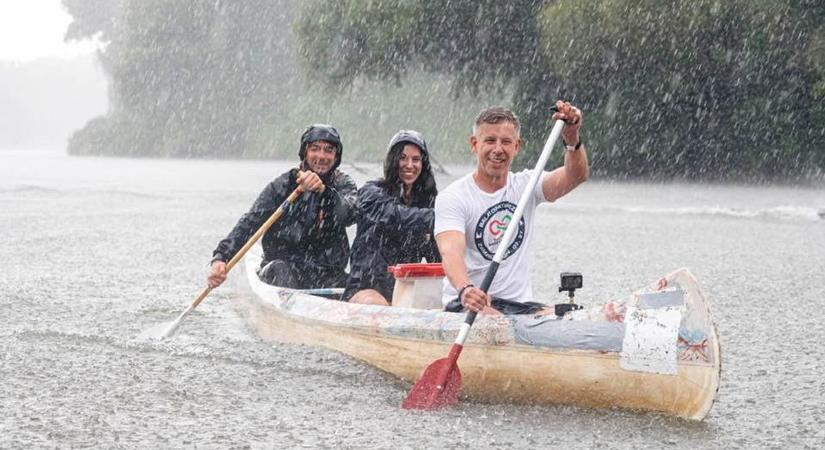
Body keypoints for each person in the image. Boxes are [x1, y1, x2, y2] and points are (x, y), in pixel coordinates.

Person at [434, 101, 589, 315]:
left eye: (506, 142)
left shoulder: (527, 185)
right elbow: (451, 251)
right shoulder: (453, 197)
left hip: (520, 306)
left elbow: (576, 176)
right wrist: (465, 289)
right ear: (474, 144)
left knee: (573, 316)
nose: (498, 149)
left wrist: (572, 137)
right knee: (495, 320)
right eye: (490, 141)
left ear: (516, 147)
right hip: (469, 303)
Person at [207, 124, 358, 290]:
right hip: (283, 270)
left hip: (327, 274)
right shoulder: (283, 185)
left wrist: (324, 191)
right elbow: (250, 222)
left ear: (336, 157)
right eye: (315, 149)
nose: (321, 156)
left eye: (328, 150)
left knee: (354, 284)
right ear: (305, 153)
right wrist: (221, 257)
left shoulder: (343, 184)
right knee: (281, 270)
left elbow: (349, 214)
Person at [342, 130, 441, 305]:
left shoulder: (428, 203)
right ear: (392, 161)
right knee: (376, 304)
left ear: (423, 164)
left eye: (416, 159)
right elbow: (397, 217)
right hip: (365, 289)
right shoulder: (371, 194)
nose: (409, 165)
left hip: (405, 291)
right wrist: (445, 216)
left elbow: (439, 256)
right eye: (403, 158)